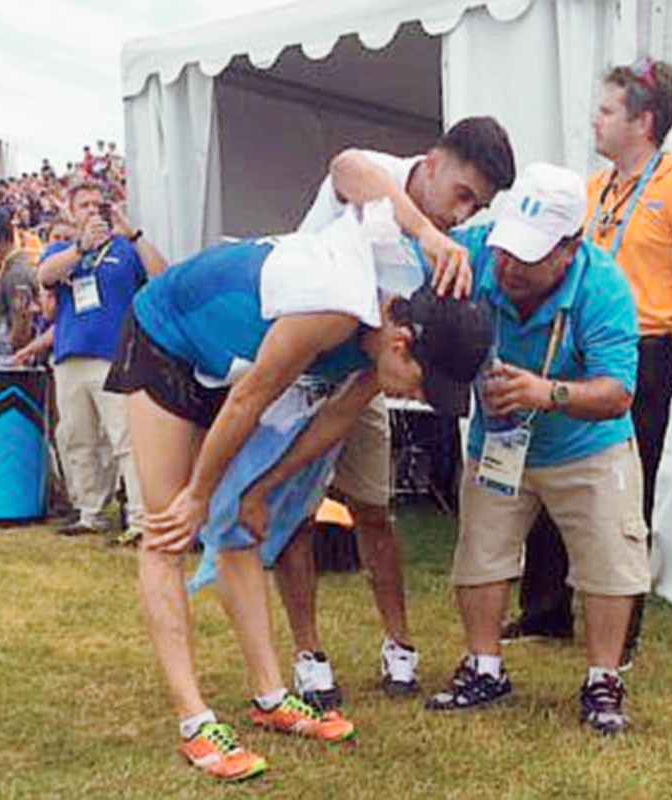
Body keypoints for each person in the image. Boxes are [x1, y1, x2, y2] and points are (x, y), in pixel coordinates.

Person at [108, 213, 492, 782]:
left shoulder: (388, 333)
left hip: (222, 361)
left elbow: (333, 421)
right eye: (420, 383)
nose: (416, 397)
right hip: (164, 337)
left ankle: (270, 697)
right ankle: (194, 721)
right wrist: (197, 496)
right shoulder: (335, 310)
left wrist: (258, 491)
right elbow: (251, 399)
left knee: (238, 528)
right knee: (167, 530)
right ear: (402, 343)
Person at [278, 116, 516, 710]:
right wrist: (425, 233)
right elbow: (344, 166)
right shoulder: (381, 176)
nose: (462, 215)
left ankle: (399, 642)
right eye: (463, 195)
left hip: (363, 380)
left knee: (374, 510)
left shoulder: (440, 250)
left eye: (477, 206)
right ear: (432, 163)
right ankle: (308, 653)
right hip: (298, 371)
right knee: (295, 516)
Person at [504, 59, 672, 666]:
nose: (595, 121)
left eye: (607, 111)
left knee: (627, 486)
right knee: (552, 467)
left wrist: (666, 336)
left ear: (643, 122)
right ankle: (544, 610)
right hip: (571, 346)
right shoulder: (592, 189)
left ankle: (621, 631)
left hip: (642, 351)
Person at [421, 163, 646, 735]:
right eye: (505, 250)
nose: (508, 267)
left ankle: (603, 679)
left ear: (569, 249)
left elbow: (618, 392)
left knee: (610, 559)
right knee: (481, 549)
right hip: (499, 439)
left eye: (528, 255)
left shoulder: (605, 289)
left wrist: (548, 393)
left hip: (588, 445)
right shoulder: (474, 253)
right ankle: (484, 666)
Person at [37, 184, 165, 544]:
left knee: (125, 438)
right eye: (84, 205)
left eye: (99, 204)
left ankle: (141, 519)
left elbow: (161, 276)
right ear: (71, 211)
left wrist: (133, 233)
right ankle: (91, 513)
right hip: (70, 355)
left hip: (116, 355)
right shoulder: (62, 249)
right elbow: (45, 276)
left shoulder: (126, 248)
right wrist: (81, 247)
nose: (93, 210)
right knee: (79, 438)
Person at [0, 208, 40, 360]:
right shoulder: (5, 267)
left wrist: (14, 355)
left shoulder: (16, 273)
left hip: (11, 355)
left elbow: (22, 321)